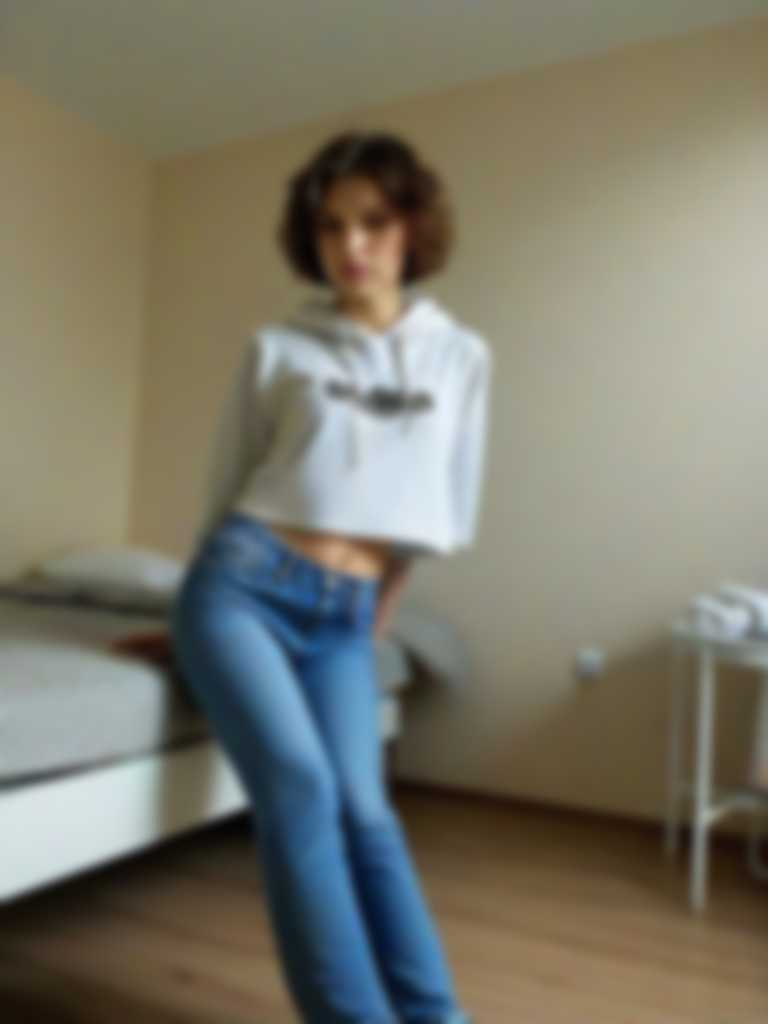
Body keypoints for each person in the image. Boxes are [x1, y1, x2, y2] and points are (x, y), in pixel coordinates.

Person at [169, 130, 490, 1023]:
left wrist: (373, 614)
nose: (351, 245)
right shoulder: (278, 346)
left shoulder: (461, 356)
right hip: (239, 588)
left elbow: (436, 513)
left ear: (412, 227)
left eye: (373, 222)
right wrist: (194, 634)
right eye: (331, 226)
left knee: (366, 811)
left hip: (345, 616)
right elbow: (225, 488)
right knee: (301, 790)